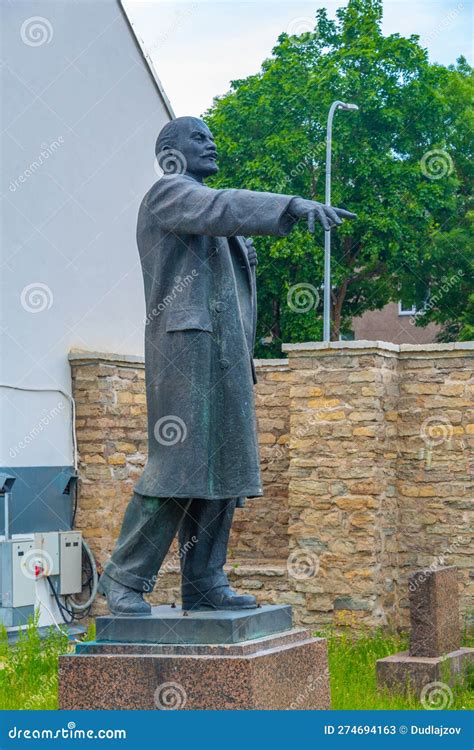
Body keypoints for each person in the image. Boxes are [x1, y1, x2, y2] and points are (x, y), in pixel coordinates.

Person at [98, 116, 355, 615]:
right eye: (199, 137)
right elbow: (222, 206)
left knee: (226, 474)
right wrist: (291, 206)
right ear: (170, 152)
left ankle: (204, 581)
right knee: (178, 469)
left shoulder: (209, 214)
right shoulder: (169, 193)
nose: (211, 143)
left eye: (211, 136)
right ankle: (124, 579)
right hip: (186, 357)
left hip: (226, 359)